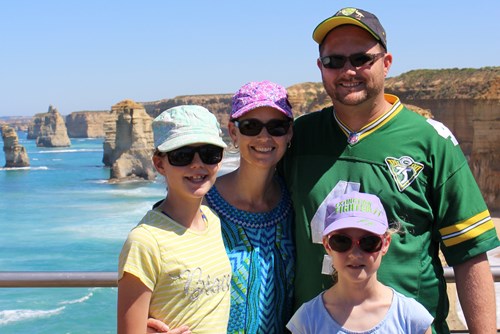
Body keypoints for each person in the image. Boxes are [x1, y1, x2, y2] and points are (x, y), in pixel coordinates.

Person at [280, 7, 500, 334]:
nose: (348, 70)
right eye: (334, 61)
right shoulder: (298, 139)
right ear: (320, 68)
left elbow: (469, 252)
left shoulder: (430, 142)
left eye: (361, 59)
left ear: (386, 63)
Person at [147, 80, 295, 333]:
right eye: (250, 126)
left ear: (289, 133)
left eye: (276, 127)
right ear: (233, 132)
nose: (264, 137)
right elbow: (155, 268)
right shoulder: (199, 203)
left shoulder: (294, 200)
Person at [117, 105, 232, 334]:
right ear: (160, 164)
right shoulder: (145, 241)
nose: (197, 164)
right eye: (182, 155)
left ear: (219, 161)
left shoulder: (212, 221)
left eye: (209, 154)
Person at [287, 191, 433, 333]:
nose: (355, 254)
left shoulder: (412, 318)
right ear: (327, 245)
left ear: (385, 243)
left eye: (369, 242)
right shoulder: (307, 320)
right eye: (341, 241)